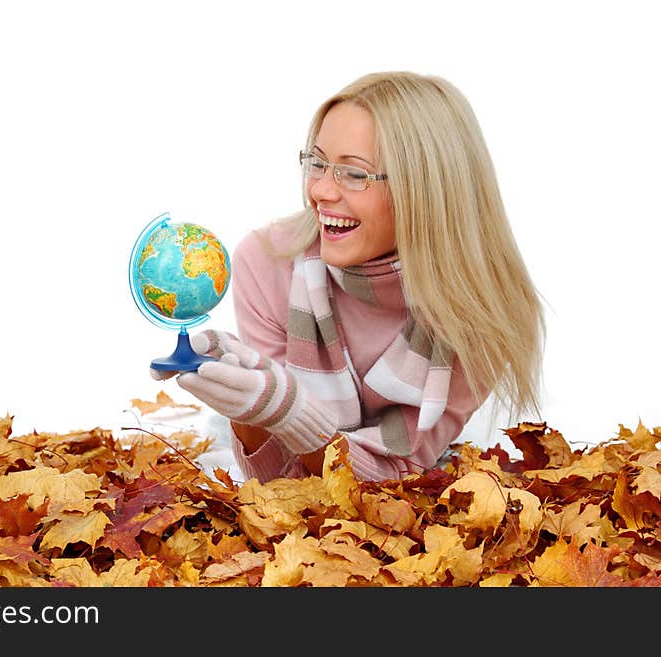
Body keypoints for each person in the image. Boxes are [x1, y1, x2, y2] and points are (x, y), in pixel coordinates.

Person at [153, 70, 546, 484]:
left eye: (355, 174)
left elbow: (394, 480)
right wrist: (252, 413)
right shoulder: (267, 263)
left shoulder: (484, 313)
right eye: (317, 163)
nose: (320, 191)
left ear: (426, 190)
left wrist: (288, 410)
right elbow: (280, 488)